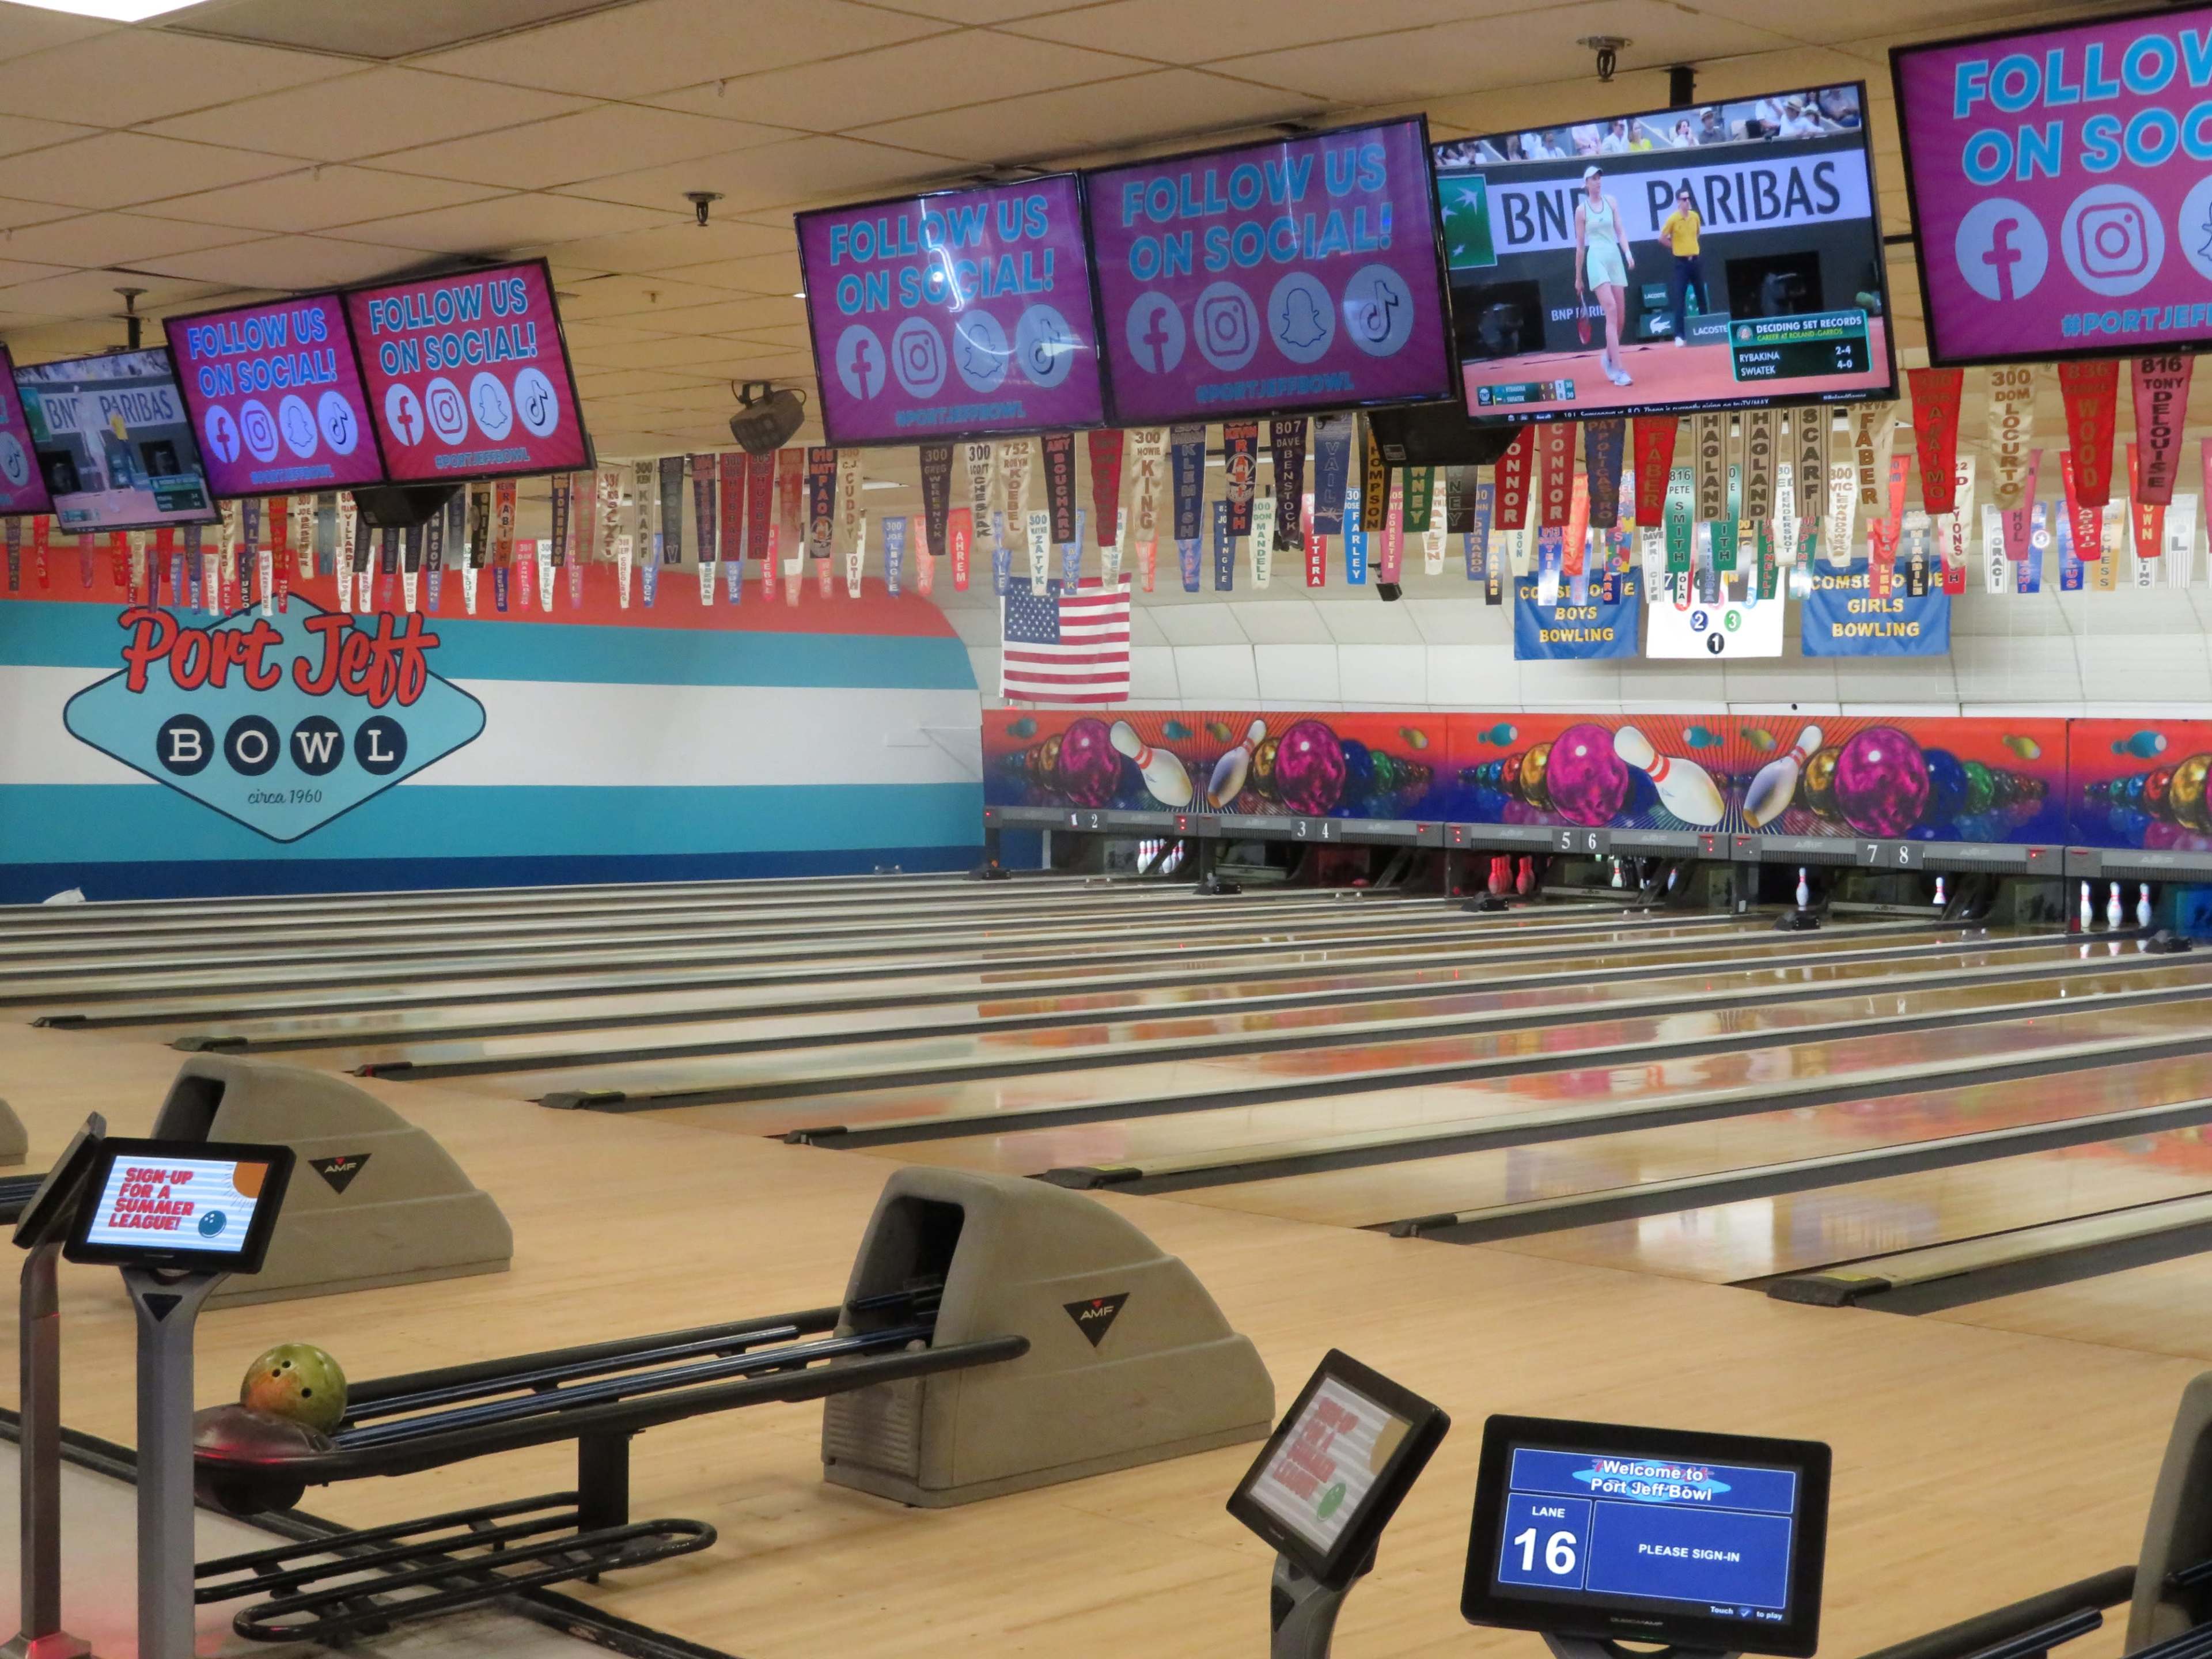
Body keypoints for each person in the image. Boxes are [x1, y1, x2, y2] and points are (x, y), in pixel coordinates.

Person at [1574, 165, 1636, 385]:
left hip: (1614, 259)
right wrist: (1578, 277)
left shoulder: (1611, 202)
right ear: (1586, 184)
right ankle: (1619, 371)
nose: (1598, 182)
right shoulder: (1581, 211)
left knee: (1620, 319)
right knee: (1610, 310)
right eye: (1593, 179)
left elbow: (1620, 230)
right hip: (1596, 260)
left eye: (1600, 178)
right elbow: (1581, 247)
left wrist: (1627, 252)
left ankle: (1608, 358)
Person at [1657, 185, 1708, 348]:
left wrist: (1691, 246)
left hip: (1696, 261)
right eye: (1684, 199)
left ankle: (1706, 330)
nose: (1688, 202)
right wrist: (1676, 247)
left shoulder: (1695, 217)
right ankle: (1680, 335)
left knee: (1701, 295)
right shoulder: (1673, 219)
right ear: (1679, 202)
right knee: (1680, 298)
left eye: (1689, 198)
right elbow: (1662, 238)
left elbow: (1697, 233)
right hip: (1681, 264)